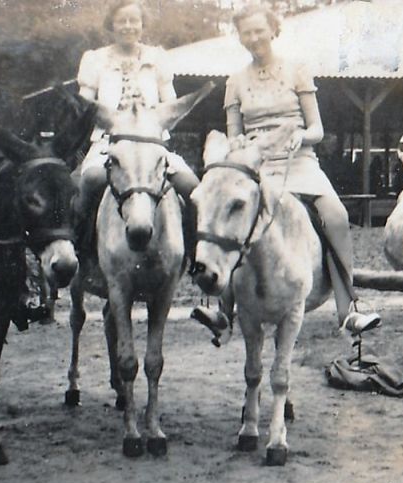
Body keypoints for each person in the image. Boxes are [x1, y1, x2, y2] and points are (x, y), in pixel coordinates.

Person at [192, 4, 380, 350]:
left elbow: (317, 129)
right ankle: (222, 312)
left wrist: (301, 136)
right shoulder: (235, 82)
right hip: (257, 167)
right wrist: (240, 145)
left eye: (259, 31)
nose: (254, 38)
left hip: (299, 162)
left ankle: (347, 309)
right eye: (247, 33)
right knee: (231, 217)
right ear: (240, 37)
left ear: (273, 30)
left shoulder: (297, 71)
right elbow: (234, 136)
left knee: (336, 215)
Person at [71, 0, 200, 251]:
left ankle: (195, 253)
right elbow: (82, 106)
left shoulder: (156, 58)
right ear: (112, 25)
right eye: (122, 21)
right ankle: (78, 246)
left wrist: (153, 122)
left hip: (150, 143)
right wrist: (105, 117)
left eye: (134, 20)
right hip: (111, 141)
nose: (128, 26)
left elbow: (169, 102)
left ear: (142, 24)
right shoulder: (95, 59)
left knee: (191, 186)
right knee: (91, 179)